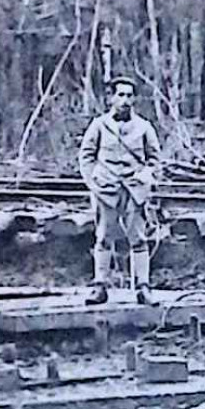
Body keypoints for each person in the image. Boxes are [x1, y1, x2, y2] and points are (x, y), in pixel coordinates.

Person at [78, 76, 163, 305]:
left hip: (134, 191)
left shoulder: (144, 127)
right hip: (106, 190)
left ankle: (143, 288)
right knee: (104, 237)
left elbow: (155, 160)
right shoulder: (99, 125)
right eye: (121, 95)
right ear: (111, 98)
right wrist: (94, 182)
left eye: (129, 95)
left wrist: (146, 177)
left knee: (139, 239)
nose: (125, 100)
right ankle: (100, 287)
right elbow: (86, 157)